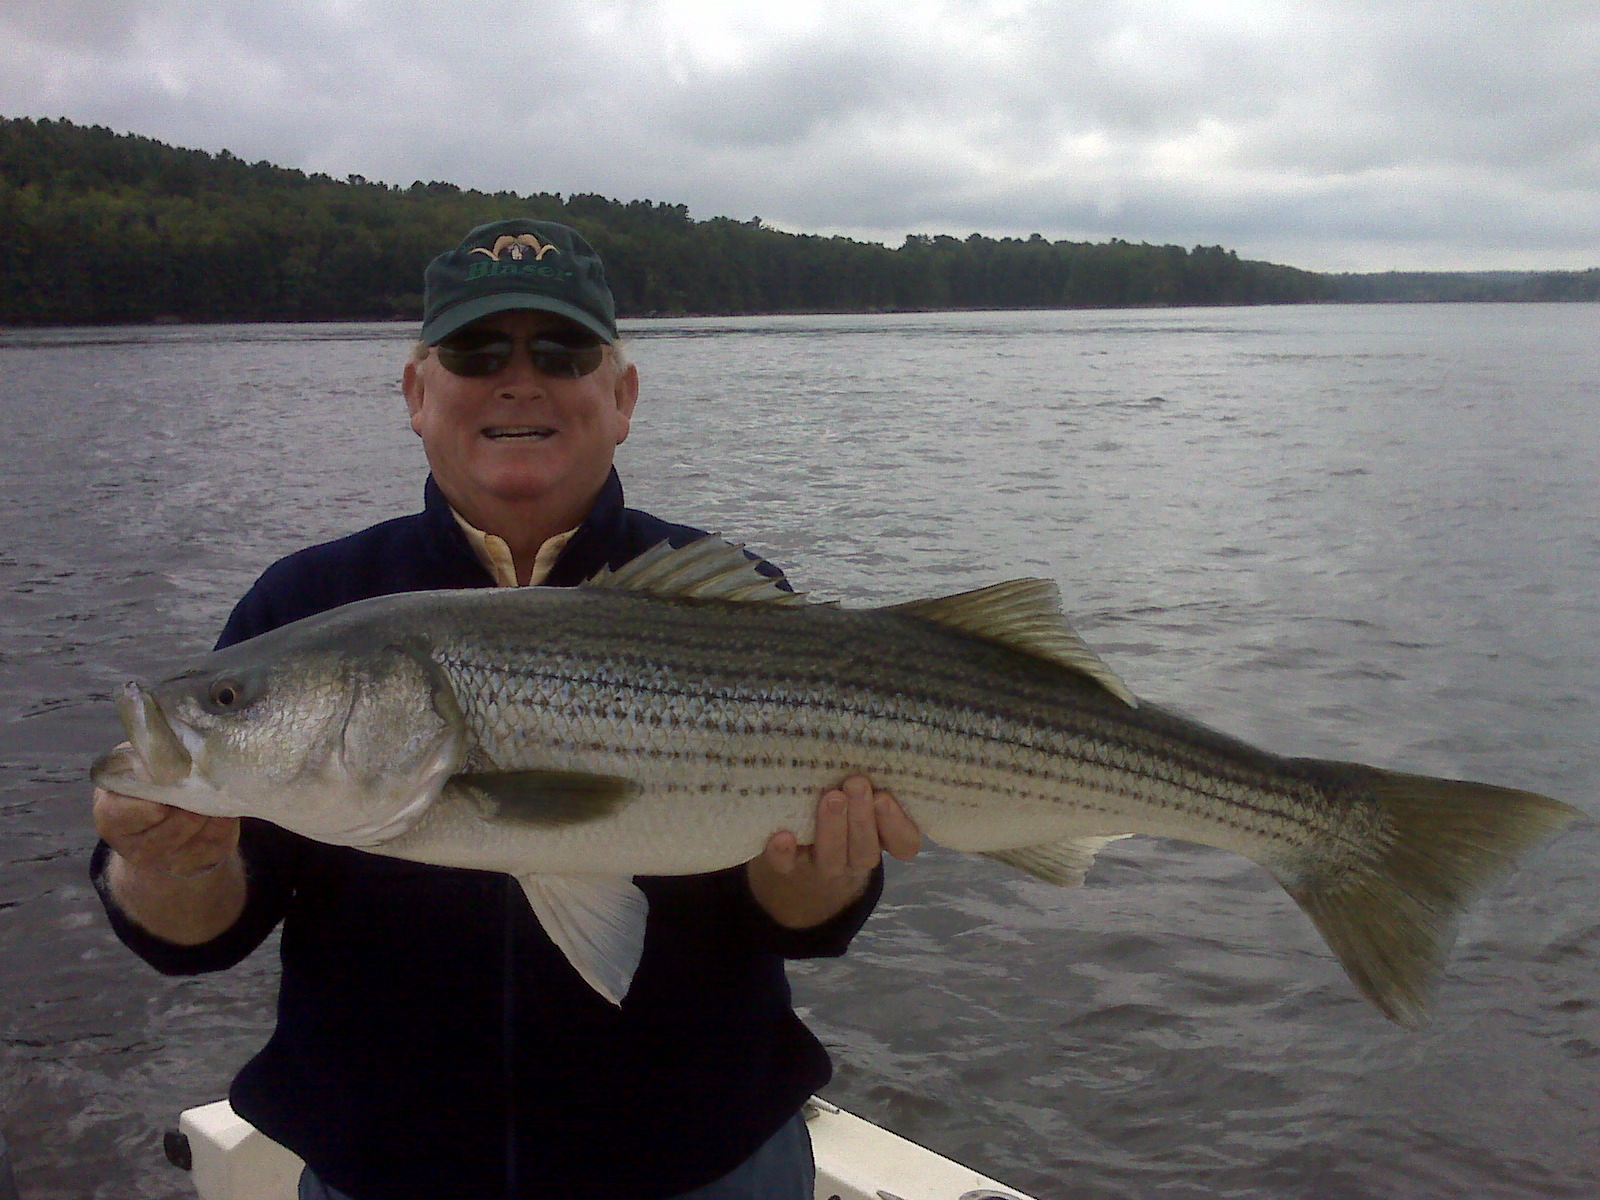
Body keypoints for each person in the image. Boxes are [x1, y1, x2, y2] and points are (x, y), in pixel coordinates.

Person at [90, 219, 922, 1200]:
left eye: (563, 352)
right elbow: (204, 930)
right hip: (388, 1175)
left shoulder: (729, 604)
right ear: (416, 394)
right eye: (475, 352)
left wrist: (824, 873)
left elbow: (799, 918)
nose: (518, 380)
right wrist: (160, 866)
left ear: (622, 398)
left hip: (704, 1167)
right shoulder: (306, 607)